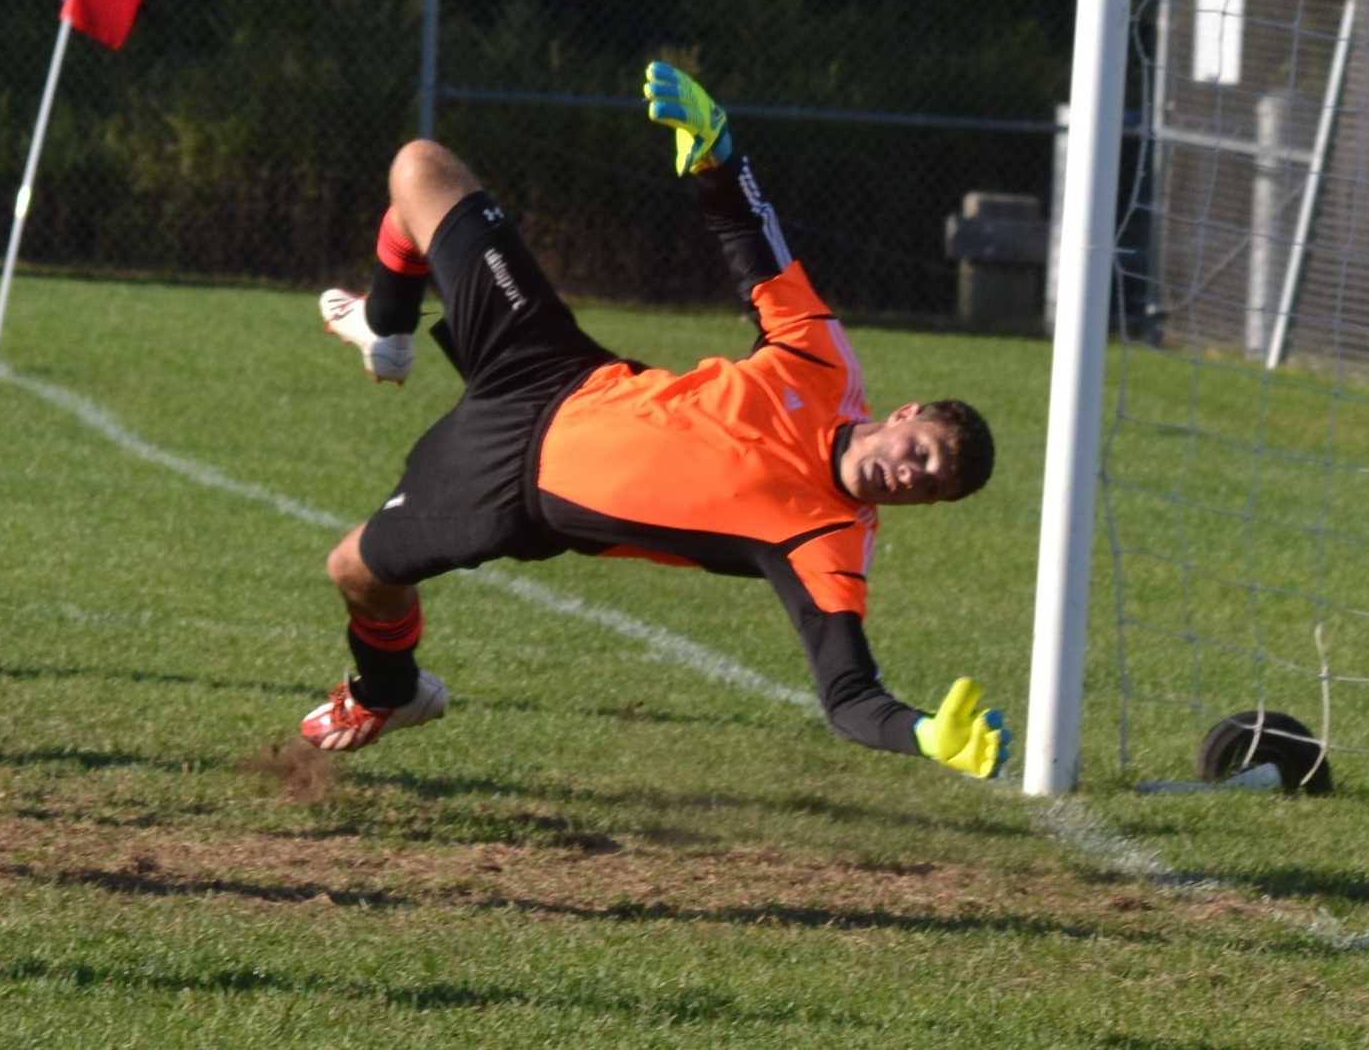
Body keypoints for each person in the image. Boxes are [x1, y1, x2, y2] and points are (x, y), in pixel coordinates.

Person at [301, 61, 1011, 781]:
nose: (909, 477)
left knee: (356, 568)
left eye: (926, 489)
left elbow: (851, 697)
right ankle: (385, 327)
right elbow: (752, 240)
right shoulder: (823, 365)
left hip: (511, 487)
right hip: (552, 365)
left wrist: (925, 732)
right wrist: (719, 151)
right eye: (922, 455)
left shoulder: (828, 545)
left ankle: (389, 691)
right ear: (905, 414)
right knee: (422, 169)